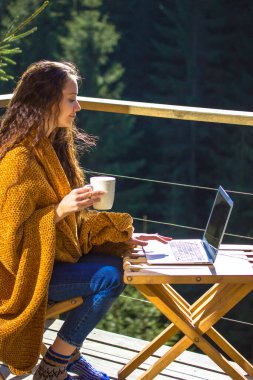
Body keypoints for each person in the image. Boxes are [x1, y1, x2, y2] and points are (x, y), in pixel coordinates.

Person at [0, 61, 171, 380]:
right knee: (110, 276)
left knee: (116, 258)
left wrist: (123, 237)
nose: (78, 106)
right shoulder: (19, 160)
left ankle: (65, 357)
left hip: (49, 263)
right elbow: (9, 244)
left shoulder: (52, 148)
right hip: (21, 279)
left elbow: (71, 229)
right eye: (71, 98)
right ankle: (55, 365)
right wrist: (59, 211)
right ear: (44, 100)